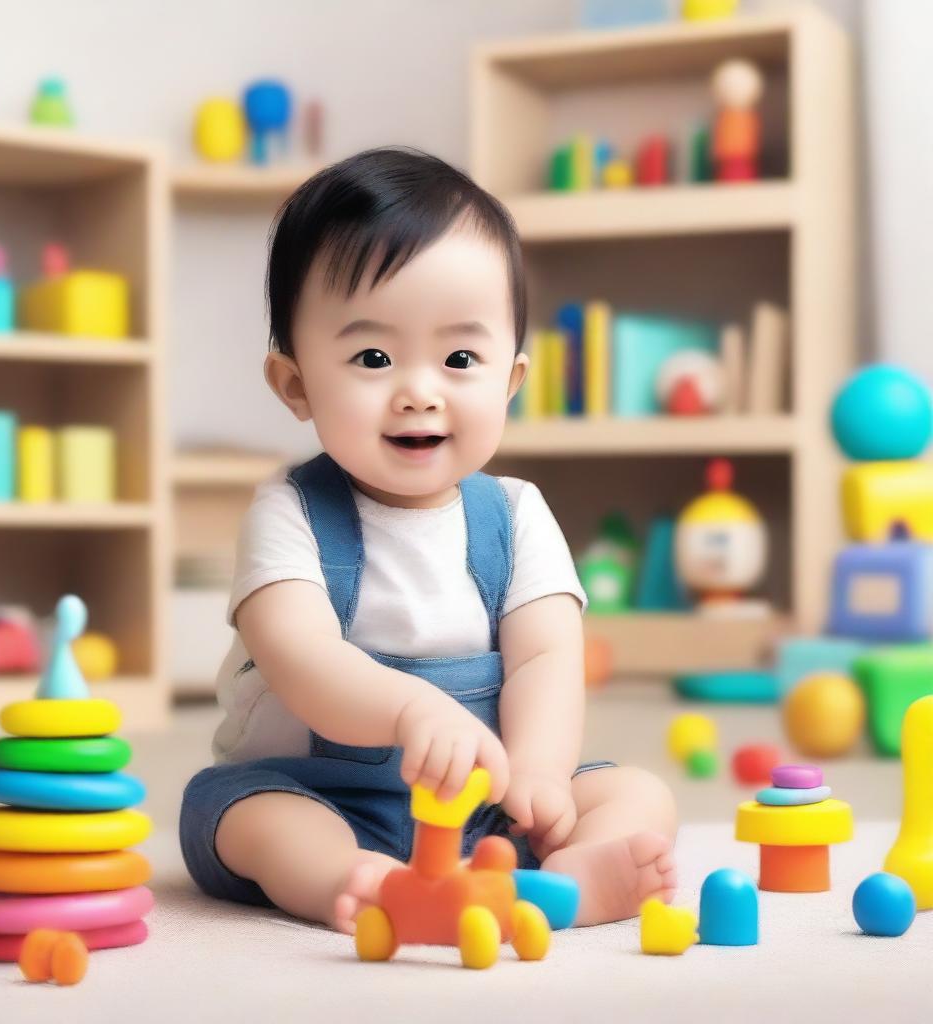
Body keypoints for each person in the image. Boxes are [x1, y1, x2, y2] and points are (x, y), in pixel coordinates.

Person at [180, 147, 677, 934]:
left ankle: (573, 879)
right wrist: (412, 710)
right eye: (373, 357)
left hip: (487, 811)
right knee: (248, 819)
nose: (420, 390)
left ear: (509, 381)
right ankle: (361, 886)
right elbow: (301, 659)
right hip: (322, 795)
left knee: (636, 792)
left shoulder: (516, 515)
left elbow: (547, 656)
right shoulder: (288, 511)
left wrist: (541, 774)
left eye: (459, 358)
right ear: (297, 384)